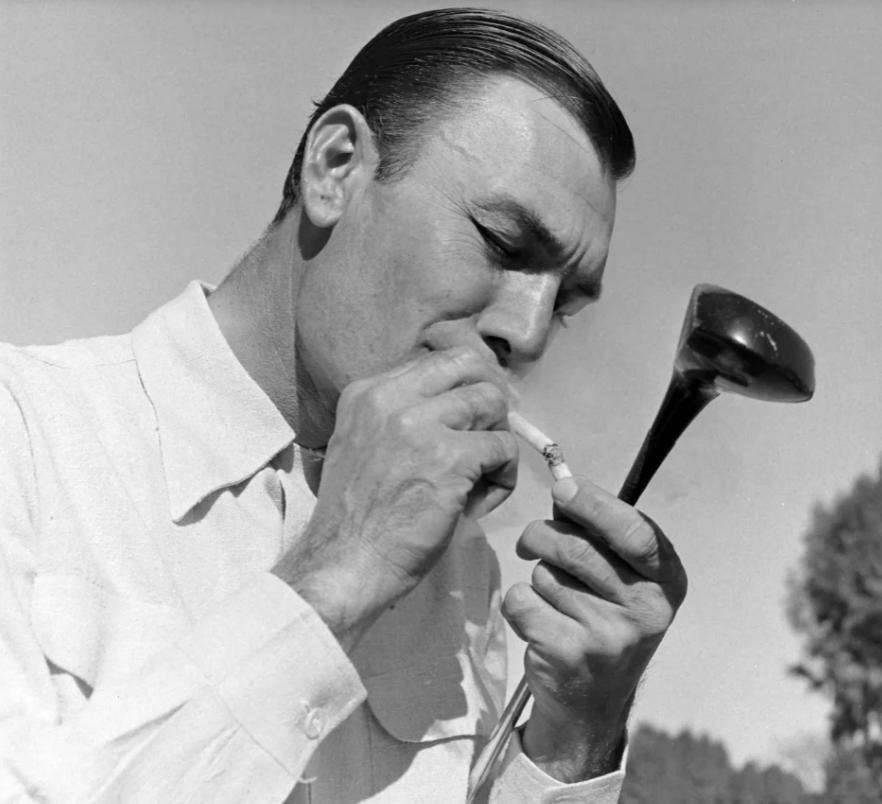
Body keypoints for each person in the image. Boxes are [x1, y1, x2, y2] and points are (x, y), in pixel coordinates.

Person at [0, 8, 688, 803]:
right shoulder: (26, 436)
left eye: (565, 301)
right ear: (334, 167)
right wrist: (338, 574)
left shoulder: (465, 573)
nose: (529, 334)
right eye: (502, 244)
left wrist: (574, 733)